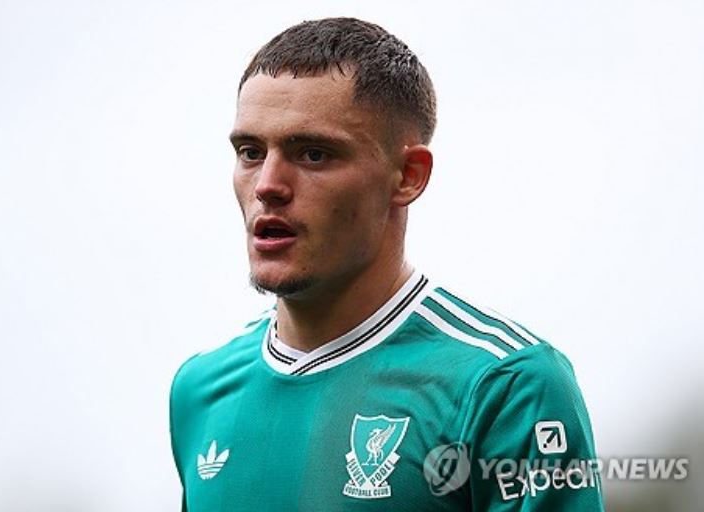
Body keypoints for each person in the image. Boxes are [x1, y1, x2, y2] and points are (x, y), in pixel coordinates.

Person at [170, 17, 604, 511]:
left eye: (313, 154)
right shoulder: (199, 390)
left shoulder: (505, 385)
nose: (268, 185)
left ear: (408, 175)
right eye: (250, 152)